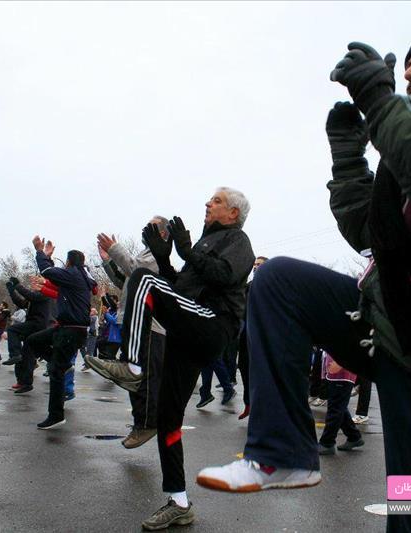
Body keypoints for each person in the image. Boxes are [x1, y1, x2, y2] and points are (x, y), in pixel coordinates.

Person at [196, 26, 411, 533]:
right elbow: (369, 229)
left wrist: (380, 103)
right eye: (406, 65)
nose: (410, 73)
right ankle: (283, 453)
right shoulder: (409, 150)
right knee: (279, 283)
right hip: (392, 325)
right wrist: (348, 150)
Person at [85, 188, 254, 530]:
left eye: (217, 201)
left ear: (233, 213)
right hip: (187, 329)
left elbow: (224, 276)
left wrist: (187, 251)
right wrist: (165, 260)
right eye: (210, 199)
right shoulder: (205, 243)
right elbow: (180, 289)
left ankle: (132, 366)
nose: (208, 203)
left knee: (141, 278)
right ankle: (178, 501)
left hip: (212, 323)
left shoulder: (239, 240)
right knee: (168, 418)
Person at [96, 219, 168, 449]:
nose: (146, 229)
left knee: (143, 377)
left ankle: (148, 423)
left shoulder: (157, 256)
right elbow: (124, 281)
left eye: (153, 226)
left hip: (149, 326)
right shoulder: (146, 253)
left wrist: (115, 250)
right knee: (133, 377)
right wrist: (108, 261)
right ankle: (141, 423)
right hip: (133, 322)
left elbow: (136, 270)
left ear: (164, 233)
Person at [26, 236, 96, 429]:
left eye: (66, 262)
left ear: (69, 261)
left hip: (72, 330)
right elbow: (57, 287)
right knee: (33, 340)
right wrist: (44, 285)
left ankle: (56, 415)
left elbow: (48, 271)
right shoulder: (80, 276)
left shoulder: (73, 273)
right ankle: (62, 365)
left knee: (55, 371)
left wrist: (41, 252)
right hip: (66, 328)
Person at [4, 276, 54, 394]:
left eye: (36, 282)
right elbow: (21, 303)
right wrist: (12, 291)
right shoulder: (36, 295)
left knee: (12, 330)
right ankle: (25, 383)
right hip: (33, 324)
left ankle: (15, 354)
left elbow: (31, 296)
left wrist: (17, 285)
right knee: (28, 355)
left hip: (38, 324)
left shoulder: (45, 294)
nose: (34, 284)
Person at [237, 256, 268, 420]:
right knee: (244, 366)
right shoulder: (248, 286)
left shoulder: (271, 287)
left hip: (262, 335)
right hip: (245, 333)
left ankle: (260, 406)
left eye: (260, 265)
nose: (256, 267)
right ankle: (249, 403)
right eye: (255, 264)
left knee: (260, 372)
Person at [318, 351, 364, 455]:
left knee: (335, 409)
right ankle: (354, 437)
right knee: (338, 407)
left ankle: (327, 443)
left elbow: (351, 343)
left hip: (341, 373)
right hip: (336, 372)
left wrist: (340, 362)